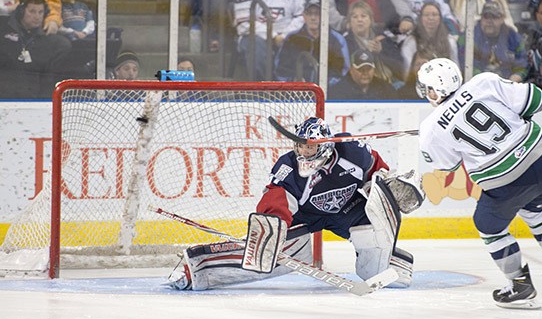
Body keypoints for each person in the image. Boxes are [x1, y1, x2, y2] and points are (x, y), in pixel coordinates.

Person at [165, 116, 425, 291]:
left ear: (324, 145)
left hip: (350, 211)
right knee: (272, 256)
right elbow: (276, 200)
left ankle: (390, 261)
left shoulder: (352, 152)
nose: (303, 152)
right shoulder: (288, 167)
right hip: (307, 216)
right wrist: (272, 229)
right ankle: (199, 269)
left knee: (386, 271)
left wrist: (390, 188)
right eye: (300, 146)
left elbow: (377, 173)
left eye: (309, 148)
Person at [417, 57, 542, 309]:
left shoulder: (430, 128)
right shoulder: (484, 82)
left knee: (488, 225)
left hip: (509, 182)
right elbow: (537, 99)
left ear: (434, 91)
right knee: (535, 210)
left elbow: (446, 166)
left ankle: (520, 285)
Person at [233, 0, 305, 81]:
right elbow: (243, 24)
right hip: (256, 39)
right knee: (256, 46)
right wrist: (273, 36)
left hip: (286, 37)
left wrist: (284, 36)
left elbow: (301, 16)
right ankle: (264, 90)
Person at [0, 0, 71, 98]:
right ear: (21, 11)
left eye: (40, 12)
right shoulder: (3, 30)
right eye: (32, 11)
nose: (37, 16)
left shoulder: (50, 41)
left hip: (34, 98)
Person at [274, 0, 349, 84]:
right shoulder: (292, 38)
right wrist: (292, 82)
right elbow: (281, 70)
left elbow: (342, 71)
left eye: (317, 14)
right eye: (309, 13)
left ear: (324, 15)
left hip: (328, 92)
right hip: (296, 92)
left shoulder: (337, 39)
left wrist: (324, 85)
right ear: (304, 16)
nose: (313, 18)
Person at [461, 0, 527, 80]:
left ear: (502, 19)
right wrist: (483, 79)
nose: (489, 21)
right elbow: (466, 64)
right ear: (481, 18)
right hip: (478, 83)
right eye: (486, 17)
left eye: (494, 17)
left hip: (507, 83)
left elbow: (522, 63)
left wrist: (517, 76)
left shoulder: (514, 37)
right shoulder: (469, 37)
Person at [343, 0, 404, 85]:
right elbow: (347, 71)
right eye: (355, 17)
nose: (359, 20)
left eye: (363, 16)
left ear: (371, 19)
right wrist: (367, 52)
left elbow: (400, 68)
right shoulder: (345, 42)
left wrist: (381, 52)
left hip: (389, 83)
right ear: (349, 22)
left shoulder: (383, 39)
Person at [399, 0, 458, 74]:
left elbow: (455, 67)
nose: (431, 18)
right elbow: (407, 70)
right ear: (421, 18)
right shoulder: (411, 41)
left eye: (434, 14)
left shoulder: (450, 40)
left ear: (440, 18)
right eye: (426, 15)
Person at [329, 49, 398, 100]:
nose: (365, 73)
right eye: (360, 69)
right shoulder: (338, 91)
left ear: (374, 69)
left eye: (369, 69)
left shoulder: (385, 89)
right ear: (351, 70)